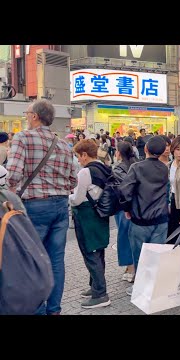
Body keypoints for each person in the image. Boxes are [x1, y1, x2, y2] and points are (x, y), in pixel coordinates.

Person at [6, 99, 77, 315]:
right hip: (61, 206)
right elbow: (73, 180)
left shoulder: (23, 138)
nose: (26, 117)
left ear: (35, 116)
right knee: (56, 259)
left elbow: (13, 176)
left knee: (31, 260)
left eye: (27, 113)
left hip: (34, 206)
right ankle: (54, 309)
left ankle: (37, 309)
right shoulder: (64, 144)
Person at [119, 136, 170, 296]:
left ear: (145, 149)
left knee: (140, 256)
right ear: (162, 151)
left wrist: (127, 209)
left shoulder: (136, 167)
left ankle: (140, 288)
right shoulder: (164, 168)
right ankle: (153, 287)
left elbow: (125, 191)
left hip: (140, 219)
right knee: (156, 256)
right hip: (160, 219)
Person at [69, 140, 111, 309]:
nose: (78, 160)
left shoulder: (85, 172)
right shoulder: (104, 166)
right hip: (101, 214)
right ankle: (95, 286)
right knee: (98, 251)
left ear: (85, 155)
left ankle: (100, 293)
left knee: (90, 253)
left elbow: (78, 199)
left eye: (78, 156)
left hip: (87, 216)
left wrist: (69, 196)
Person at [113, 141, 137, 283]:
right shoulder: (138, 164)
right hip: (139, 207)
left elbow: (122, 191)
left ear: (119, 153)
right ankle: (134, 267)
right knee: (135, 238)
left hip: (123, 208)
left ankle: (130, 268)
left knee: (124, 237)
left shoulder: (118, 169)